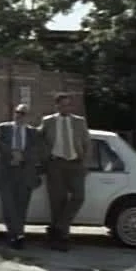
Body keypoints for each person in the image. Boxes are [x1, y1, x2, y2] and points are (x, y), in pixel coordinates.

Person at [39, 92, 93, 251]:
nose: (66, 108)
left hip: (75, 164)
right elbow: (37, 139)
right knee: (57, 201)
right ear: (56, 106)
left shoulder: (79, 121)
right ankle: (61, 239)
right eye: (62, 105)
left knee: (79, 197)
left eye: (68, 105)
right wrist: (44, 157)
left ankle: (57, 228)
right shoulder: (48, 121)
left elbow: (87, 144)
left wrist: (85, 164)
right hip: (55, 164)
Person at [0, 104, 41, 249]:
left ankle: (18, 234)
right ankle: (15, 235)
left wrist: (22, 156)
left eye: (23, 113)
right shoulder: (3, 128)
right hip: (5, 171)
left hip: (25, 172)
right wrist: (13, 154)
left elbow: (36, 150)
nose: (19, 115)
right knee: (8, 205)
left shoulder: (33, 132)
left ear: (28, 116)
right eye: (17, 112)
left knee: (21, 205)